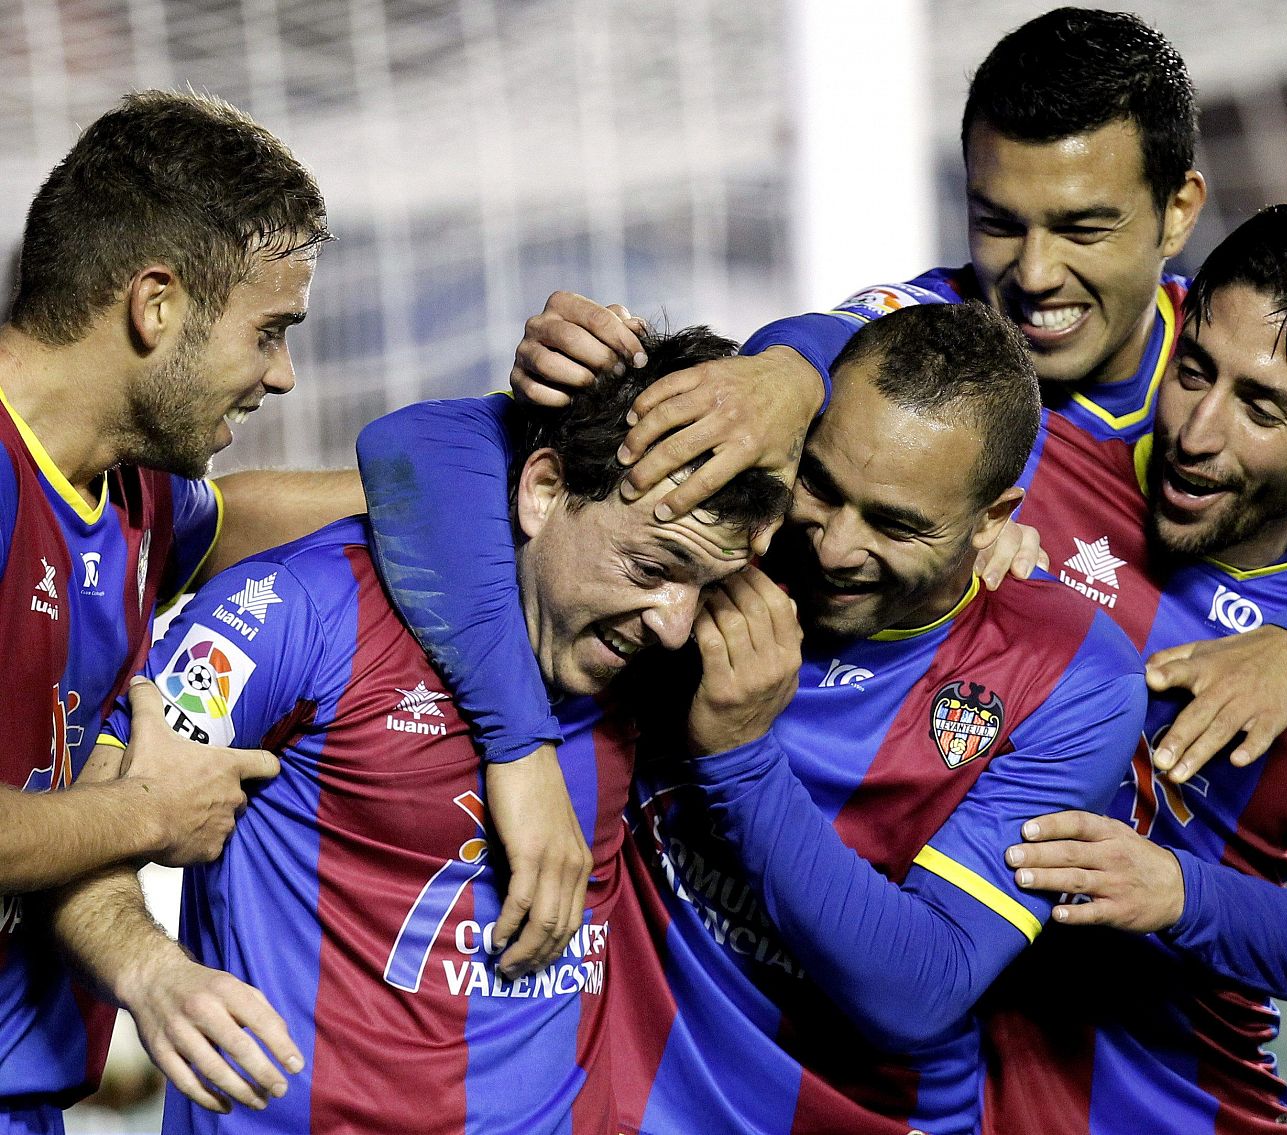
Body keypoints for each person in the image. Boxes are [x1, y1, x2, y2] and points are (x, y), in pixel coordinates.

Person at [504, 6, 1287, 786]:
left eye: (1083, 227)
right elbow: (828, 338)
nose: (1035, 274)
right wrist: (783, 372)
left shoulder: (1236, 380)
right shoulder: (924, 353)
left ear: (1178, 206)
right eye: (998, 221)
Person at [51, 327, 789, 1133]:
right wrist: (153, 974)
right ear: (543, 489)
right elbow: (79, 823)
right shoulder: (297, 610)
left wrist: (790, 377)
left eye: (704, 583)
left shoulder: (682, 666)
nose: (676, 623)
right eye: (649, 568)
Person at [984, 200, 1287, 1132]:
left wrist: (1177, 892)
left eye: (1260, 405)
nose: (1199, 431)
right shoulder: (1037, 450)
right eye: (1194, 372)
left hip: (1185, 1102)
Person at [607, 302, 1146, 1134]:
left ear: (994, 520)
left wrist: (742, 758)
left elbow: (922, 987)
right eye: (820, 485)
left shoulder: (1072, 675)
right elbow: (435, 457)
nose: (832, 547)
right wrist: (518, 746)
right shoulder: (706, 536)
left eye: (896, 523)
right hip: (621, 1101)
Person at [0, 89, 339, 1135]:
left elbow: (244, 520)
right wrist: (154, 813)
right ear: (158, 306)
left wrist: (498, 479)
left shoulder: (132, 492)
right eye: (267, 332)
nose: (280, 376)